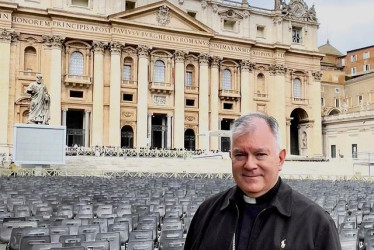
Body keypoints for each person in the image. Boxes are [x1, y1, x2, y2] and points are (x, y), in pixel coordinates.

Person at [184, 112, 341, 250]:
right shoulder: (206, 212)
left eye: (260, 154)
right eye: (240, 155)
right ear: (231, 157)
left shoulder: (316, 223)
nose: (250, 165)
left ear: (280, 159)